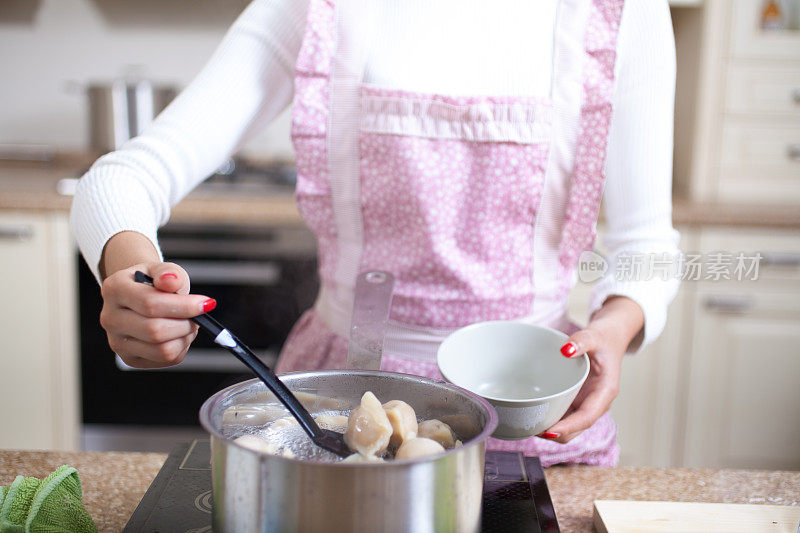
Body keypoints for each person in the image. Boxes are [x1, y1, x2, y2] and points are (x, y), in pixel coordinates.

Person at [71, 0, 680, 466]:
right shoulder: (321, 9)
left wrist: (615, 325)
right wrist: (128, 271)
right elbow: (122, 178)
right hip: (339, 403)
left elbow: (647, 247)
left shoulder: (618, 13)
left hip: (535, 409)